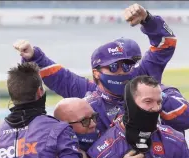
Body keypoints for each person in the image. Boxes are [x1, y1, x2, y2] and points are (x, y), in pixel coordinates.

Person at [13, 3, 189, 147]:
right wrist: (33, 56)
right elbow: (58, 76)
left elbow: (165, 44)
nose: (122, 71)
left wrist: (148, 20)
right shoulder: (87, 94)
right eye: (113, 66)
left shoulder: (144, 79)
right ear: (96, 73)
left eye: (127, 65)